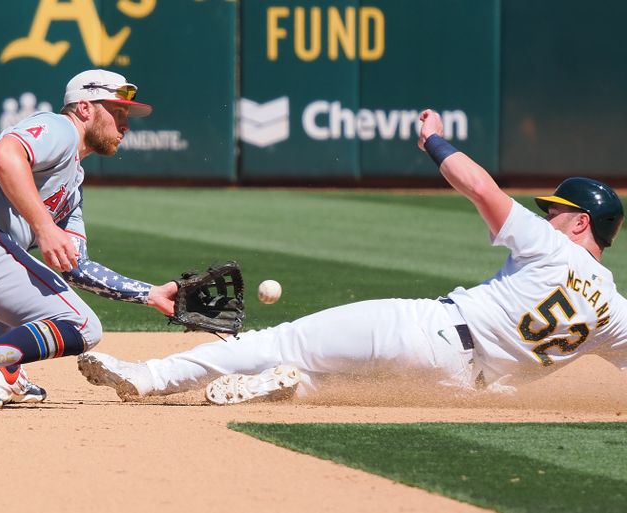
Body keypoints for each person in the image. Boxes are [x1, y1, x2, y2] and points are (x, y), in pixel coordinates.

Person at [78, 109, 627, 405]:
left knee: (278, 341)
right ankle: (285, 390)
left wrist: (434, 142)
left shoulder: (554, 247)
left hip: (427, 332)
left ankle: (148, 376)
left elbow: (483, 190)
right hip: (462, 390)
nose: (549, 215)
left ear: (580, 222)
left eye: (558, 209)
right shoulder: (613, 311)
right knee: (336, 387)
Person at [0, 69, 178, 410]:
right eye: (117, 113)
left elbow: (76, 264)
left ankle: (7, 374)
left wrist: (150, 294)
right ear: (85, 108)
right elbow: (5, 154)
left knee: (29, 283)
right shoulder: (60, 128)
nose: (125, 125)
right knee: (84, 326)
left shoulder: (71, 184)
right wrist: (45, 228)